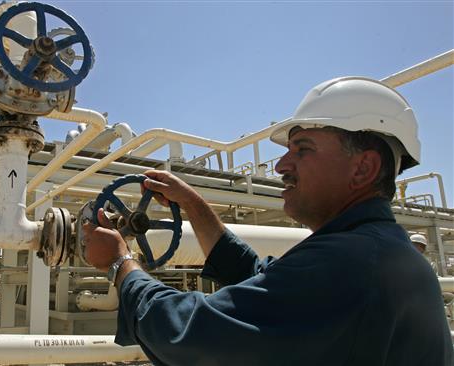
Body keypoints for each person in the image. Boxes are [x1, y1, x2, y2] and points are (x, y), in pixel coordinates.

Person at [83, 77, 453, 365]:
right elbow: (260, 277)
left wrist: (120, 262)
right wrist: (194, 206)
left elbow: (189, 336)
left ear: (364, 167)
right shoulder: (375, 249)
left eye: (302, 149)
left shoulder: (354, 262)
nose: (280, 165)